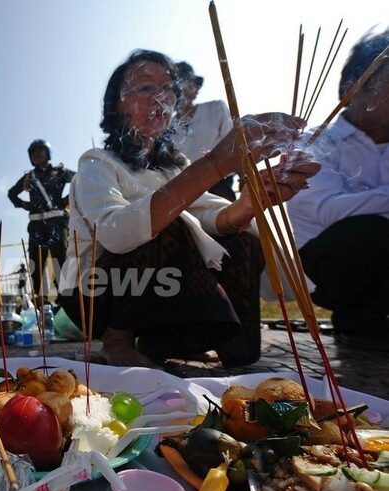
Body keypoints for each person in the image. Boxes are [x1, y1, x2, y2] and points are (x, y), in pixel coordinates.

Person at [57, 49, 320, 368]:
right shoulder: (97, 162)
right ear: (116, 105)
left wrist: (250, 203)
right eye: (144, 87)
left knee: (242, 242)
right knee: (163, 222)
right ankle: (117, 339)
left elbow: (209, 219)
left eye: (167, 88)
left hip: (155, 288)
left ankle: (171, 340)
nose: (160, 97)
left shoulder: (174, 167)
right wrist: (215, 164)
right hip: (94, 295)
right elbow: (115, 234)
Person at [287, 29, 389, 352]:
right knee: (369, 232)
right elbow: (327, 211)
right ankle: (360, 325)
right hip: (329, 265)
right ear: (353, 90)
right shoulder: (315, 143)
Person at [7, 139, 75, 304]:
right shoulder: (29, 177)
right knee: (36, 265)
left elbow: (80, 181)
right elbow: (11, 193)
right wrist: (24, 204)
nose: (37, 154)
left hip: (57, 225)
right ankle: (39, 303)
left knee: (61, 262)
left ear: (48, 153)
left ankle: (65, 302)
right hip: (37, 225)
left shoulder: (61, 172)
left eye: (40, 150)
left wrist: (67, 200)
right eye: (33, 152)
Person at [171, 61, 236, 202]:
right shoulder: (167, 126)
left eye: (187, 81)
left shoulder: (216, 108)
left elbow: (234, 146)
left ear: (195, 87)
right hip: (182, 188)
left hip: (218, 182)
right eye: (177, 83)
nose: (183, 87)